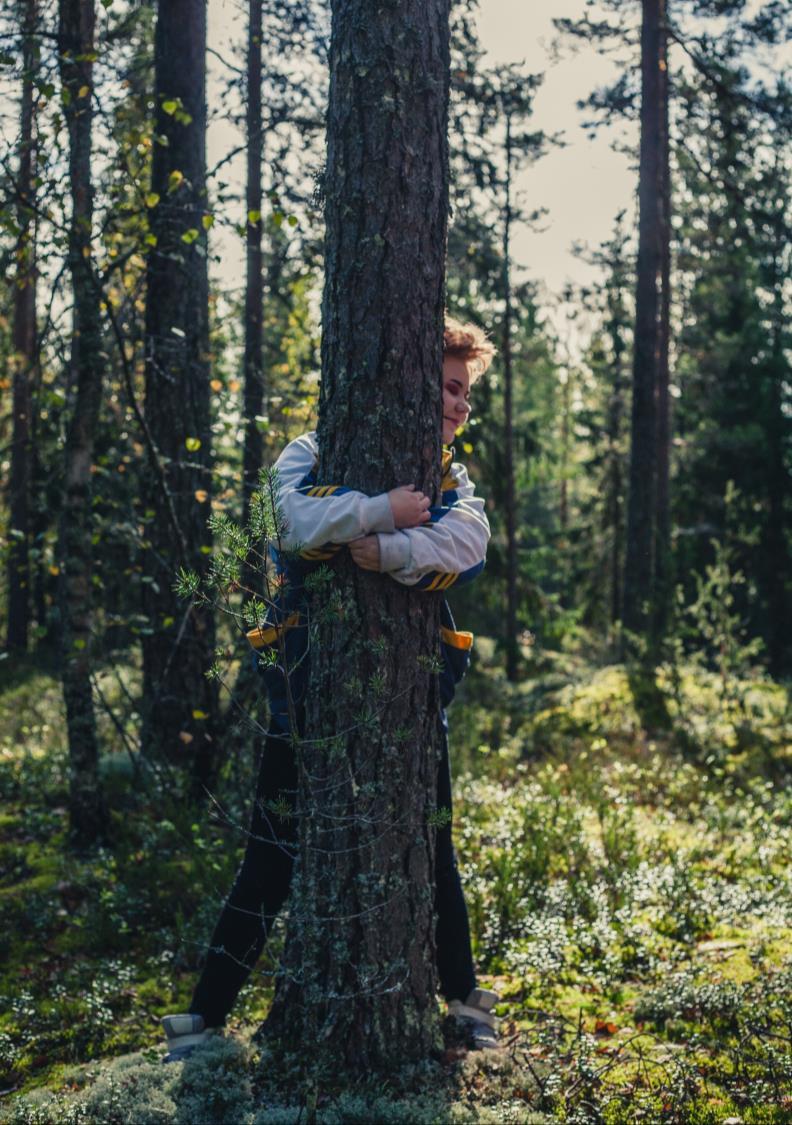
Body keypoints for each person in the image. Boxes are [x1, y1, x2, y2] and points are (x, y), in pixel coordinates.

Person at [162, 317, 499, 1062]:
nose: (457, 407)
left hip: (415, 695)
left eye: (465, 395)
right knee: (274, 846)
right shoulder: (312, 451)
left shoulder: (450, 482)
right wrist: (379, 507)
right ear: (412, 383)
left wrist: (387, 548)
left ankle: (465, 1000)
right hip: (305, 687)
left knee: (429, 841)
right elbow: (293, 520)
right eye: (448, 388)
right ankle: (201, 1021)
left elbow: (468, 544)